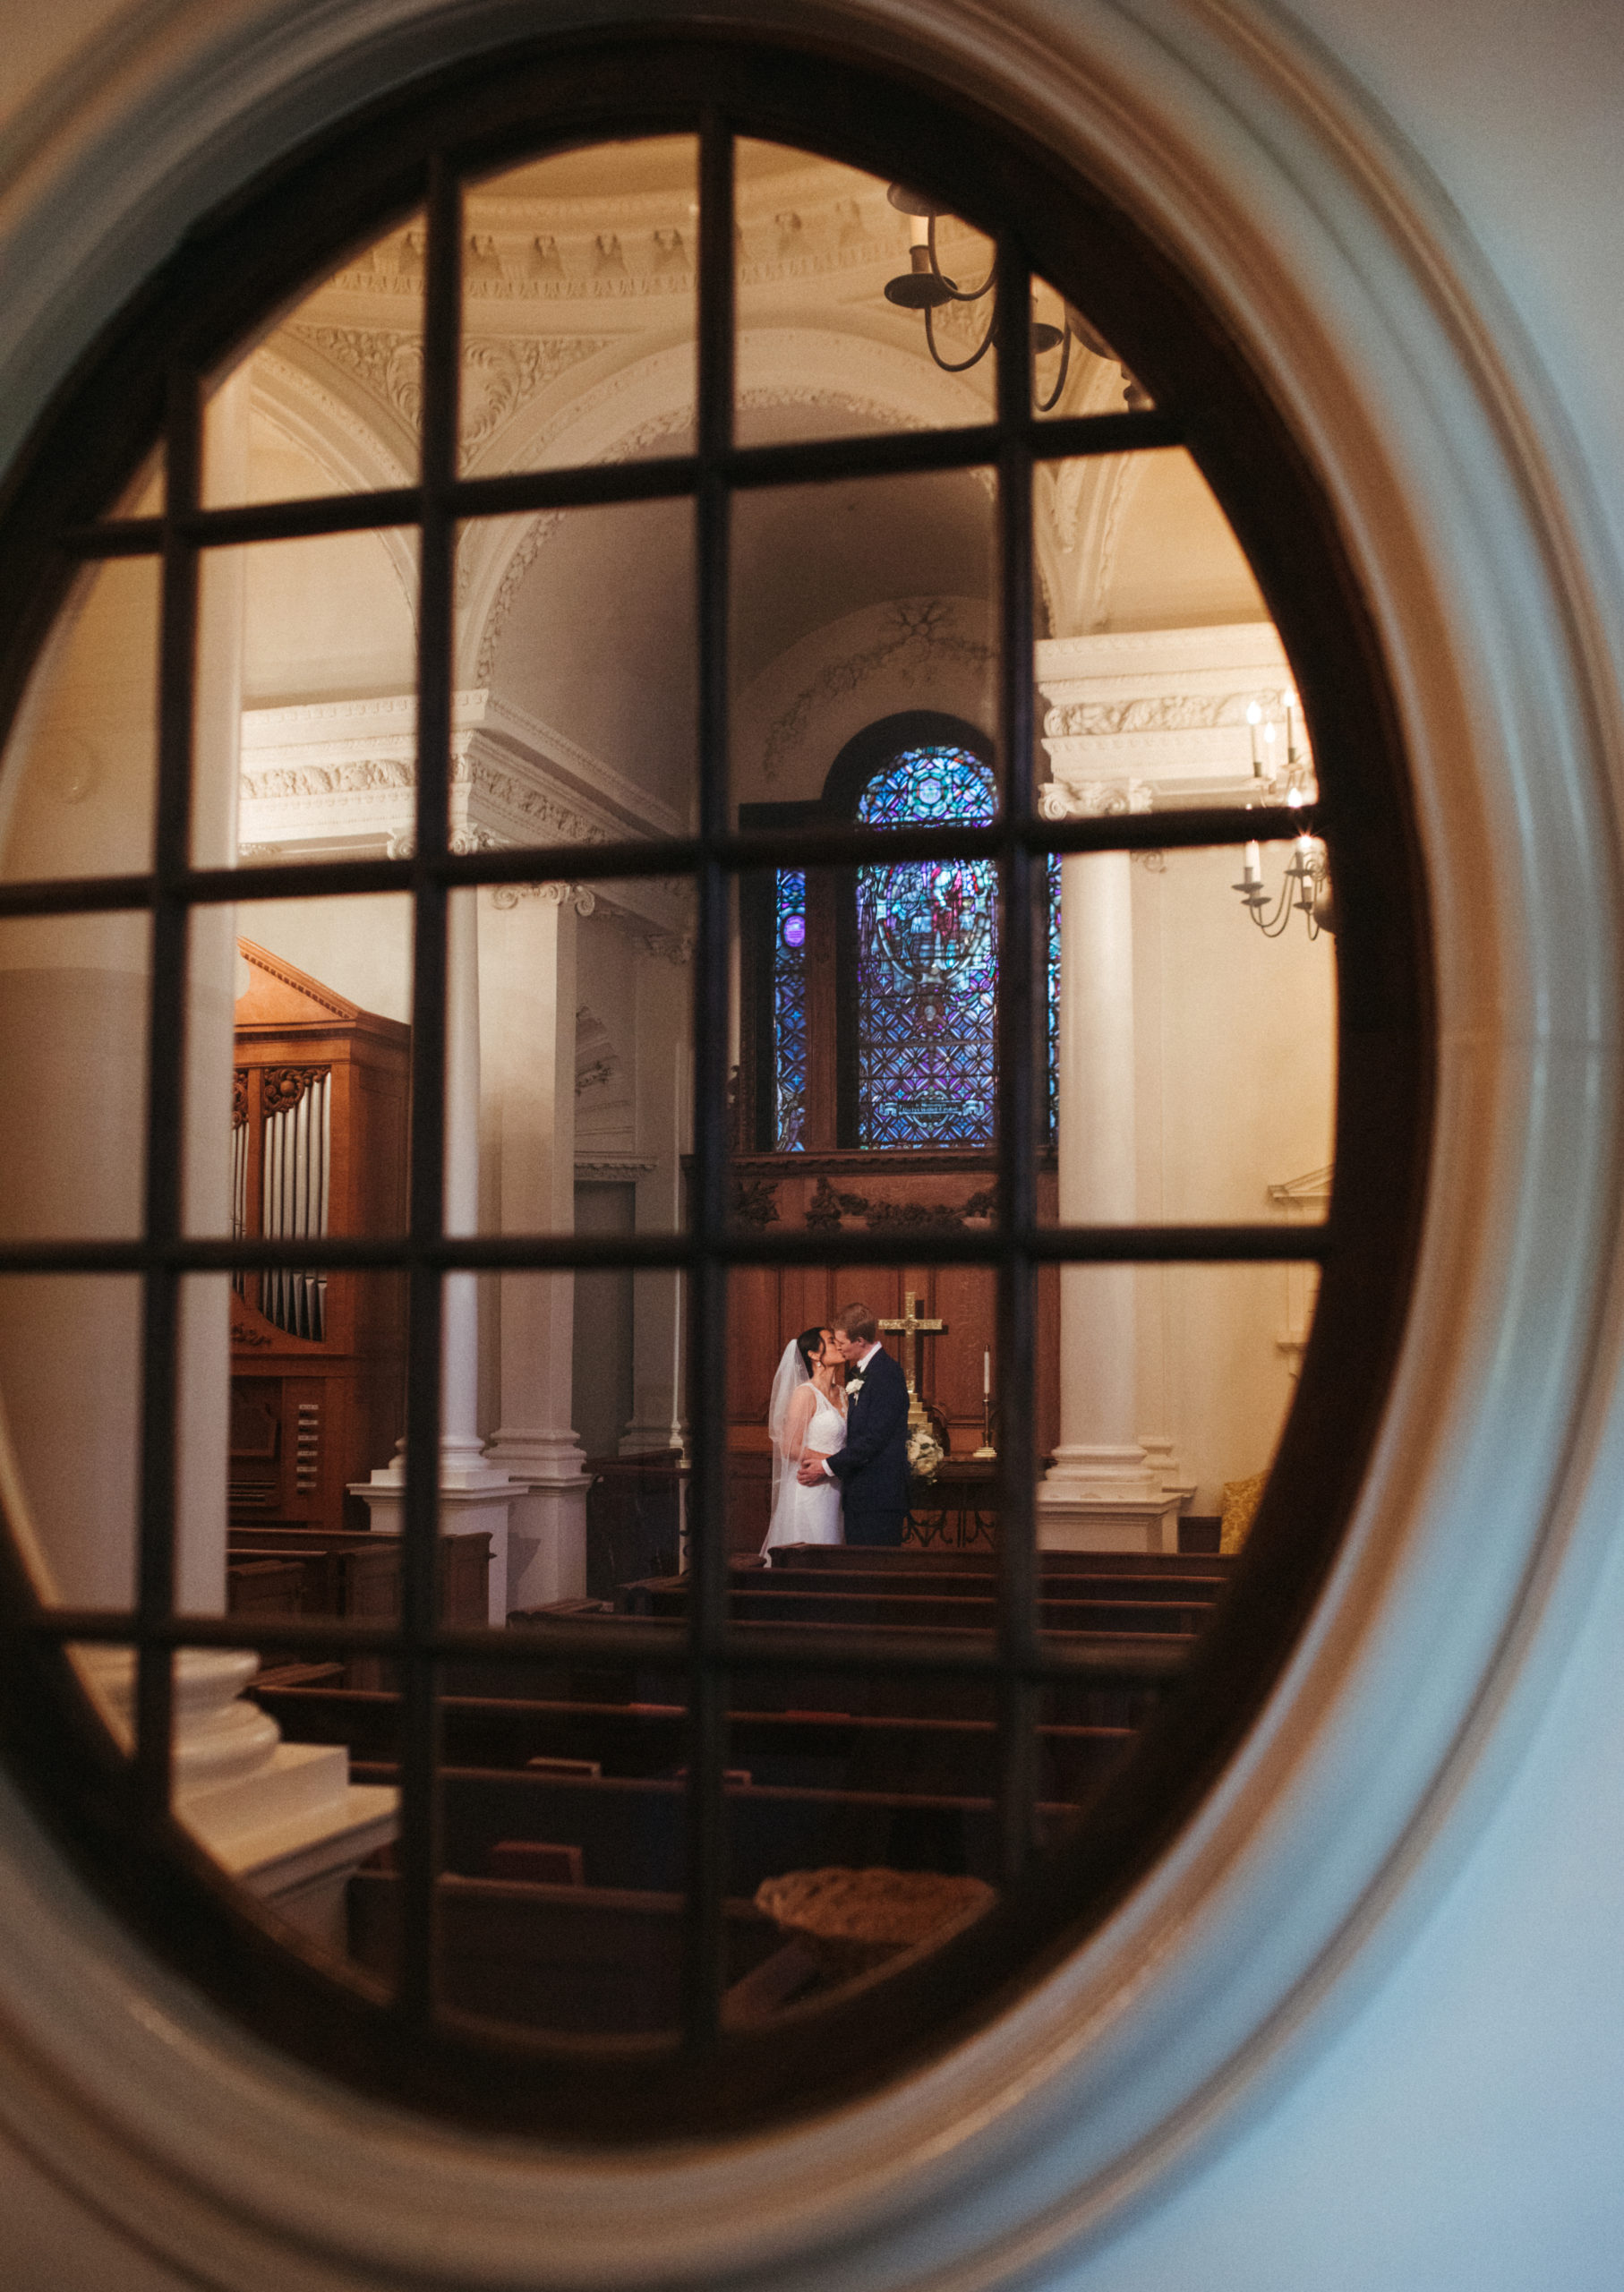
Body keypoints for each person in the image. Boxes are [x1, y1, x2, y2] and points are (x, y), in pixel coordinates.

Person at [797, 1301, 910, 1547]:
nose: (838, 1348)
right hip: (858, 1494)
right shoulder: (858, 1373)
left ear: (860, 1340)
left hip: (878, 1497)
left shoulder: (886, 1373)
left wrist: (825, 1466)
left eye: (841, 1343)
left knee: (873, 1573)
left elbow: (873, 1440)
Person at [763, 1325, 847, 1551]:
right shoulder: (805, 1394)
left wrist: (839, 1467)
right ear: (813, 1354)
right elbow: (790, 1447)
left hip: (838, 1488)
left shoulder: (844, 1393)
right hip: (812, 1487)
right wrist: (833, 1462)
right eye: (831, 1341)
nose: (839, 1345)